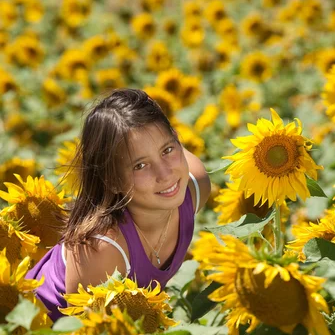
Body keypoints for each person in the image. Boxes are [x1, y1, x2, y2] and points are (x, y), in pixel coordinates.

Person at [26, 88, 211, 322]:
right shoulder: (102, 248)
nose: (165, 174)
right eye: (140, 166)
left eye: (167, 150)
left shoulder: (195, 186)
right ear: (111, 180)